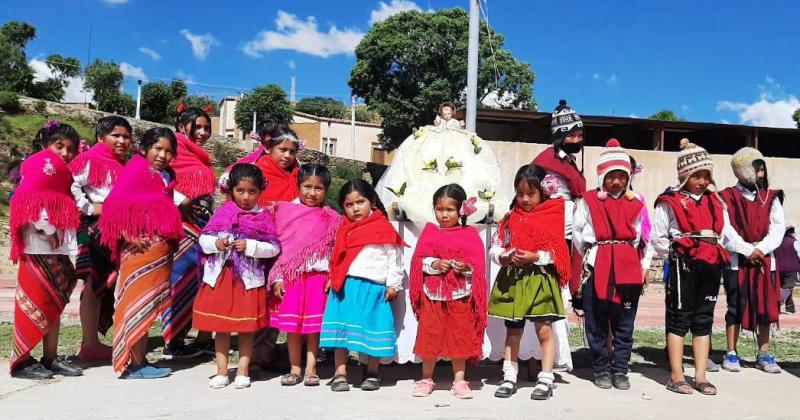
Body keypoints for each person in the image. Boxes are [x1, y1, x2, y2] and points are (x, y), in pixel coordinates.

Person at [99, 128, 184, 379]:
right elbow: (113, 205)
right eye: (158, 148)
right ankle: (134, 364)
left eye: (169, 151)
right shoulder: (137, 171)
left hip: (158, 252)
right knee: (138, 304)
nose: (162, 155)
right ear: (144, 149)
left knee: (147, 307)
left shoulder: (162, 176)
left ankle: (140, 361)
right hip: (141, 252)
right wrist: (128, 235)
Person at [572, 139, 652, 390]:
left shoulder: (636, 201)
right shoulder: (588, 200)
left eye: (621, 176)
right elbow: (577, 233)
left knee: (624, 321)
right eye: (611, 176)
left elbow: (644, 238)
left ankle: (620, 369)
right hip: (598, 264)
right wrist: (590, 256)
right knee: (596, 320)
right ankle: (601, 369)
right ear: (601, 177)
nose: (616, 182)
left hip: (628, 265)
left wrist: (645, 265)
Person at [652, 139, 729, 396]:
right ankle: (676, 376)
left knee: (703, 320)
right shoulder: (670, 200)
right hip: (682, 263)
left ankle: (700, 376)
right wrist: (674, 256)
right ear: (685, 175)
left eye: (707, 175)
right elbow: (659, 236)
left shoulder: (715, 201)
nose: (703, 181)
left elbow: (724, 232)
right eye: (697, 175)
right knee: (679, 318)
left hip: (710, 263)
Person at [193, 163, 281, 389]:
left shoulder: (263, 217)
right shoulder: (222, 213)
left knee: (246, 328)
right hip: (222, 277)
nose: (245, 197)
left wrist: (251, 246)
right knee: (220, 327)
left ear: (260, 192)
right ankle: (222, 372)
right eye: (240, 191)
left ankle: (242, 371)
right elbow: (203, 240)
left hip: (248, 281)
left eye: (252, 192)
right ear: (231, 190)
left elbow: (273, 248)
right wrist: (217, 243)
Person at [489, 164, 571, 400]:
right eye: (519, 193)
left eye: (530, 194)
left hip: (540, 280)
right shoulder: (509, 219)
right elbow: (495, 247)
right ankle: (509, 376)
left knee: (544, 330)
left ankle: (546, 378)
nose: (524, 199)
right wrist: (503, 256)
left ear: (543, 192)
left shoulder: (554, 216)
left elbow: (560, 254)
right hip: (514, 280)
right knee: (512, 334)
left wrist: (536, 256)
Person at [9, 121, 82, 379]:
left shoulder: (60, 175)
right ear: (45, 145)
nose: (64, 153)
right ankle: (21, 361)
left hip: (55, 248)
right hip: (38, 248)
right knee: (33, 302)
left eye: (70, 149)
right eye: (59, 146)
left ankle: (50, 358)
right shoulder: (39, 166)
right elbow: (33, 202)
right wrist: (50, 231)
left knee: (53, 303)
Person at [320, 179, 405, 392]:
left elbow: (394, 259)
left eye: (360, 202)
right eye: (349, 205)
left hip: (374, 289)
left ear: (372, 201)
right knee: (342, 331)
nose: (355, 208)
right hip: (346, 287)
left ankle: (372, 373)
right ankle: (340, 373)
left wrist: (393, 285)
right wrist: (333, 276)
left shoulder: (383, 228)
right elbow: (337, 257)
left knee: (373, 329)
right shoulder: (344, 229)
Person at [409, 184, 488, 399]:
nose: (444, 215)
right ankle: (426, 378)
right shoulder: (430, 232)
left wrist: (465, 267)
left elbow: (477, 265)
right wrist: (434, 264)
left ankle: (460, 380)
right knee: (429, 334)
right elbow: (419, 261)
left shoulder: (469, 234)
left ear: (462, 210)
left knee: (459, 335)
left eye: (449, 210)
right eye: (439, 209)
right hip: (433, 294)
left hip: (459, 294)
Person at [375, 101, 509, 224]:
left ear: (452, 112)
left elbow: (460, 128)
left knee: (463, 167)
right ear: (441, 112)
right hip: (437, 142)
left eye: (449, 111)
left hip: (455, 144)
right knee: (427, 167)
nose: (447, 113)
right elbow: (436, 127)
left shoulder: (456, 124)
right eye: (444, 111)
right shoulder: (436, 124)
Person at [269, 164, 342, 387]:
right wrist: (278, 277)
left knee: (313, 328)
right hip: (292, 278)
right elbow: (280, 249)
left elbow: (336, 250)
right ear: (298, 186)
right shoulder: (285, 212)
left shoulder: (331, 218)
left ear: (326, 190)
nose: (312, 192)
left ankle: (311, 369)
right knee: (293, 328)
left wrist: (332, 276)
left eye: (318, 188)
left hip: (318, 279)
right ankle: (295, 368)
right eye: (307, 186)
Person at [530, 99, 588, 373]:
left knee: (562, 290)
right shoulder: (545, 162)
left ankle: (561, 356)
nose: (577, 139)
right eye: (572, 135)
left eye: (580, 135)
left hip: (571, 221)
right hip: (555, 225)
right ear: (559, 135)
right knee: (554, 288)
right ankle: (553, 356)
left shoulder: (569, 162)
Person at [69, 116, 132, 362]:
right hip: (92, 229)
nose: (122, 140)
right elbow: (70, 185)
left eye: (126, 136)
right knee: (93, 283)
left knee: (106, 283)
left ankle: (95, 341)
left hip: (116, 230)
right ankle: (90, 345)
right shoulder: (89, 161)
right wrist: (91, 207)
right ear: (100, 137)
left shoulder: (124, 165)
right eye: (116, 135)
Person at [719, 147, 785, 373]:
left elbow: (777, 229)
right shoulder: (726, 196)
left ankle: (764, 353)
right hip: (738, 261)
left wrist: (761, 249)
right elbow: (725, 230)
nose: (762, 171)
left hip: (766, 260)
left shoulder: (771, 197)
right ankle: (731, 352)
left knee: (766, 307)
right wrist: (747, 250)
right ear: (744, 170)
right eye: (757, 167)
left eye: (763, 166)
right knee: (736, 305)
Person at [162, 107, 217, 359]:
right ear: (183, 125)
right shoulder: (173, 151)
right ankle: (172, 339)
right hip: (179, 224)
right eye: (198, 127)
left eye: (207, 128)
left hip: (201, 224)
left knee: (194, 280)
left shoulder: (201, 157)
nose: (203, 133)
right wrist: (182, 200)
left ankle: (184, 336)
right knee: (178, 278)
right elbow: (157, 178)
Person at [223, 122, 301, 205]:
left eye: (292, 152)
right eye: (283, 150)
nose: (287, 156)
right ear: (268, 148)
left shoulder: (300, 176)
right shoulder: (254, 174)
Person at [776, 226, 800, 313]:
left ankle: (790, 308)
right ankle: (776, 304)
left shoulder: (778, 242)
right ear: (791, 233)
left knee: (783, 288)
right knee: (787, 288)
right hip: (791, 269)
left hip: (779, 269)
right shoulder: (794, 242)